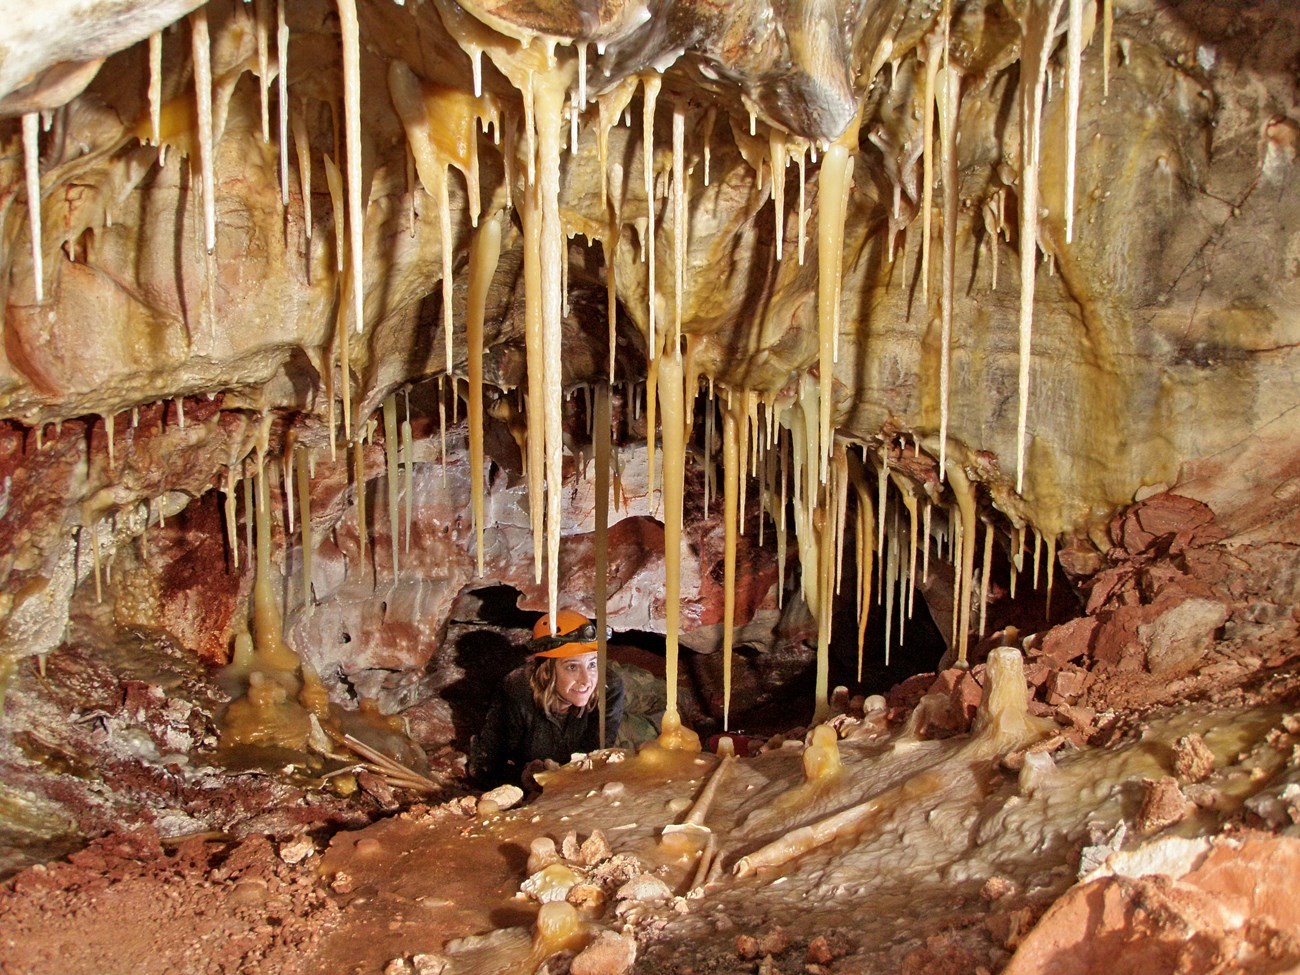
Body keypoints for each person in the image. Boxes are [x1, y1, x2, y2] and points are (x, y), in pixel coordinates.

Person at [469, 610, 625, 789]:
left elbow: (598, 758)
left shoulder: (609, 687)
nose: (586, 679)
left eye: (592, 664)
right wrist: (522, 777)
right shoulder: (517, 691)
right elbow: (484, 765)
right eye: (572, 667)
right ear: (547, 670)